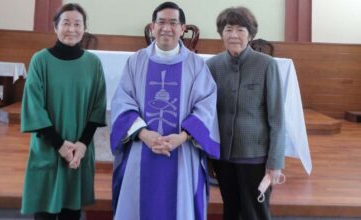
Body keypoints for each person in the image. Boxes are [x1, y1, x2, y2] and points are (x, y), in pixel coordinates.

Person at [110, 2, 220, 220]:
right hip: (142, 147)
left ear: (182, 28)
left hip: (181, 149)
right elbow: (122, 102)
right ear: (152, 27)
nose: (166, 28)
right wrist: (144, 134)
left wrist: (182, 136)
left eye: (173, 23)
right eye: (161, 22)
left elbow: (206, 106)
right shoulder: (135, 61)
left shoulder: (196, 65)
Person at [20, 3, 106, 220]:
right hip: (48, 146)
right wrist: (59, 145)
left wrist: (82, 145)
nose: (72, 29)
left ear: (84, 28)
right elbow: (34, 106)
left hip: (78, 149)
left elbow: (98, 106)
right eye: (66, 23)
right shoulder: (40, 60)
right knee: (45, 210)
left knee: (72, 211)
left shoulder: (93, 63)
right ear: (55, 27)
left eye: (78, 24)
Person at [206, 6, 285, 220]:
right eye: (228, 29)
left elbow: (277, 118)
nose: (234, 35)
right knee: (230, 210)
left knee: (255, 212)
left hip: (255, 156)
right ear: (221, 33)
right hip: (223, 156)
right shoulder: (212, 66)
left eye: (240, 30)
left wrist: (275, 162)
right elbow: (206, 114)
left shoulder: (266, 65)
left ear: (250, 35)